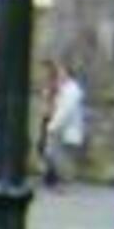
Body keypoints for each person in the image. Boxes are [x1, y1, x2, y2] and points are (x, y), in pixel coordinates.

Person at [41, 59, 86, 189]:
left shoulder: (72, 90)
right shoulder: (64, 88)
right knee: (52, 154)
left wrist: (52, 126)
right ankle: (59, 182)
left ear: (68, 74)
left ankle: (63, 183)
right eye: (59, 73)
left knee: (61, 157)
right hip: (60, 129)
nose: (59, 75)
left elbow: (65, 111)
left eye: (62, 73)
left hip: (65, 129)